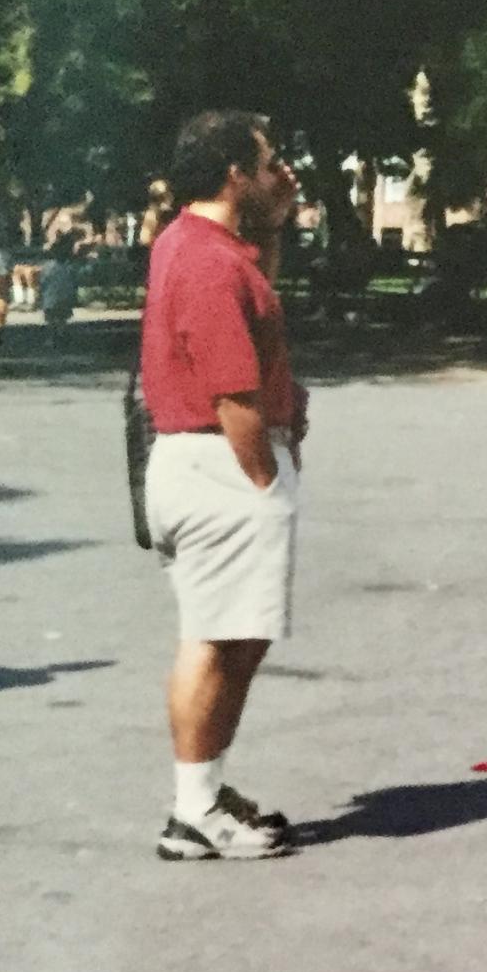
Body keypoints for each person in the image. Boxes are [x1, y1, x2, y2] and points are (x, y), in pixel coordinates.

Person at [139, 112, 305, 860]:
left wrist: (275, 221)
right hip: (219, 464)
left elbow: (255, 291)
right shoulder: (206, 262)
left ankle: (203, 793)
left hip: (206, 464)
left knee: (234, 636)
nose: (279, 172)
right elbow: (231, 389)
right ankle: (192, 811)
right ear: (235, 171)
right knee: (214, 640)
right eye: (268, 162)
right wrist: (263, 478)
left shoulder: (202, 245)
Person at [38, 235, 80, 351]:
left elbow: (42, 282)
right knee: (62, 319)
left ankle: (51, 339)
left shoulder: (47, 267)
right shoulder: (69, 268)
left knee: (51, 320)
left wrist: (40, 296)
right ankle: (61, 336)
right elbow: (74, 283)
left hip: (50, 299)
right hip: (65, 298)